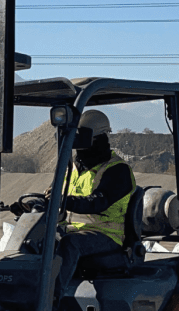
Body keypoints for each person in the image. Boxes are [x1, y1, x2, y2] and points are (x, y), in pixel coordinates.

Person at [54, 109, 135, 297]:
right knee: (37, 240)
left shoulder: (117, 171)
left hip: (106, 234)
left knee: (70, 244)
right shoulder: (72, 168)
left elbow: (98, 202)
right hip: (73, 229)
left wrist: (65, 201)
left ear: (97, 138)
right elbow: (54, 194)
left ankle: (49, 301)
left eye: (80, 137)